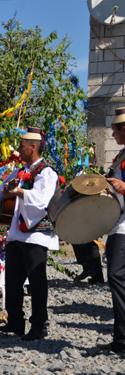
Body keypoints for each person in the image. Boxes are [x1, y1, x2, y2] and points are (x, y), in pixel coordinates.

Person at [0, 127, 59, 341]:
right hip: (16, 234)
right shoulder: (20, 172)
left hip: (36, 235)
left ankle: (39, 325)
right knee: (13, 280)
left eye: (22, 146)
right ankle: (15, 321)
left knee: (37, 282)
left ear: (33, 147)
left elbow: (41, 200)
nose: (19, 149)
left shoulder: (46, 172)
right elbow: (1, 187)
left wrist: (19, 192)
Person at [98, 106, 125, 354]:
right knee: (117, 278)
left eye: (115, 129)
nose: (112, 134)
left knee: (117, 276)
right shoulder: (121, 156)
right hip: (119, 225)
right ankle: (120, 337)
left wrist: (123, 186)